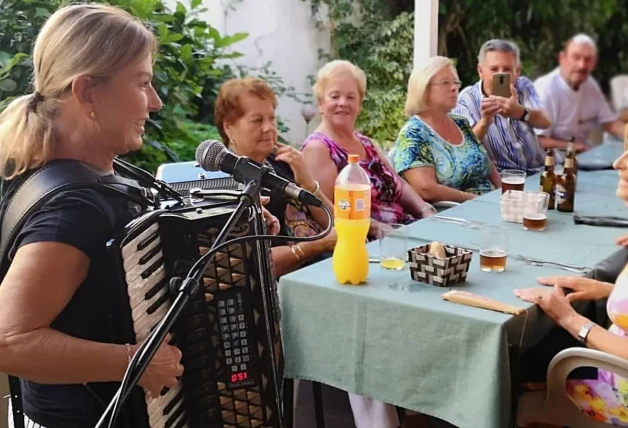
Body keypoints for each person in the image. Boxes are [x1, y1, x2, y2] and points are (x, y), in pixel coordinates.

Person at [0, 4, 186, 428]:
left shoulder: (87, 174)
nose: (154, 102)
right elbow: (7, 342)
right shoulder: (71, 209)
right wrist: (135, 363)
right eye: (142, 83)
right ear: (86, 93)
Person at [513, 147, 628, 426]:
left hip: (619, 393)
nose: (617, 162)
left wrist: (570, 319)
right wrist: (607, 290)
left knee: (511, 362)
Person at [214, 77, 336, 276]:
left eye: (271, 118)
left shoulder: (283, 161)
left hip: (326, 268)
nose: (268, 128)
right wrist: (319, 245)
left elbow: (336, 223)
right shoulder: (225, 182)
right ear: (229, 127)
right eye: (257, 120)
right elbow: (252, 264)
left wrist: (307, 183)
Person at [301, 60, 437, 238]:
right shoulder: (318, 148)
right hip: (367, 243)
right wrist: (377, 228)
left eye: (351, 97)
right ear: (321, 104)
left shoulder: (365, 142)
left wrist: (426, 210)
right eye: (334, 96)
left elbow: (399, 184)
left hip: (403, 230)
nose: (343, 103)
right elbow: (327, 213)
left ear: (360, 104)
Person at [393, 56, 501, 203]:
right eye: (445, 83)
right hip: (456, 214)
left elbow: (487, 164)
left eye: (456, 82)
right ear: (424, 89)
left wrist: (506, 196)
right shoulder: (413, 135)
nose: (454, 88)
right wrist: (476, 201)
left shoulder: (461, 123)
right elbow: (426, 190)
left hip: (491, 205)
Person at [453, 39, 551, 175]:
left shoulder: (523, 86)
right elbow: (464, 150)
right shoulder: (466, 100)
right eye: (494, 69)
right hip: (504, 179)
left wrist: (520, 112)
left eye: (507, 69)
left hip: (540, 171)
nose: (501, 75)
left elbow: (546, 121)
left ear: (517, 71)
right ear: (480, 71)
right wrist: (485, 122)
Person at [534, 34, 627, 162]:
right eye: (576, 57)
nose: (582, 65)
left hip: (583, 159)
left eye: (588, 59)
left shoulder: (590, 85)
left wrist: (626, 133)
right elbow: (535, 141)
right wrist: (573, 147)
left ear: (595, 63)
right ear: (562, 58)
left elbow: (609, 122)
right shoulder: (546, 89)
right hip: (551, 165)